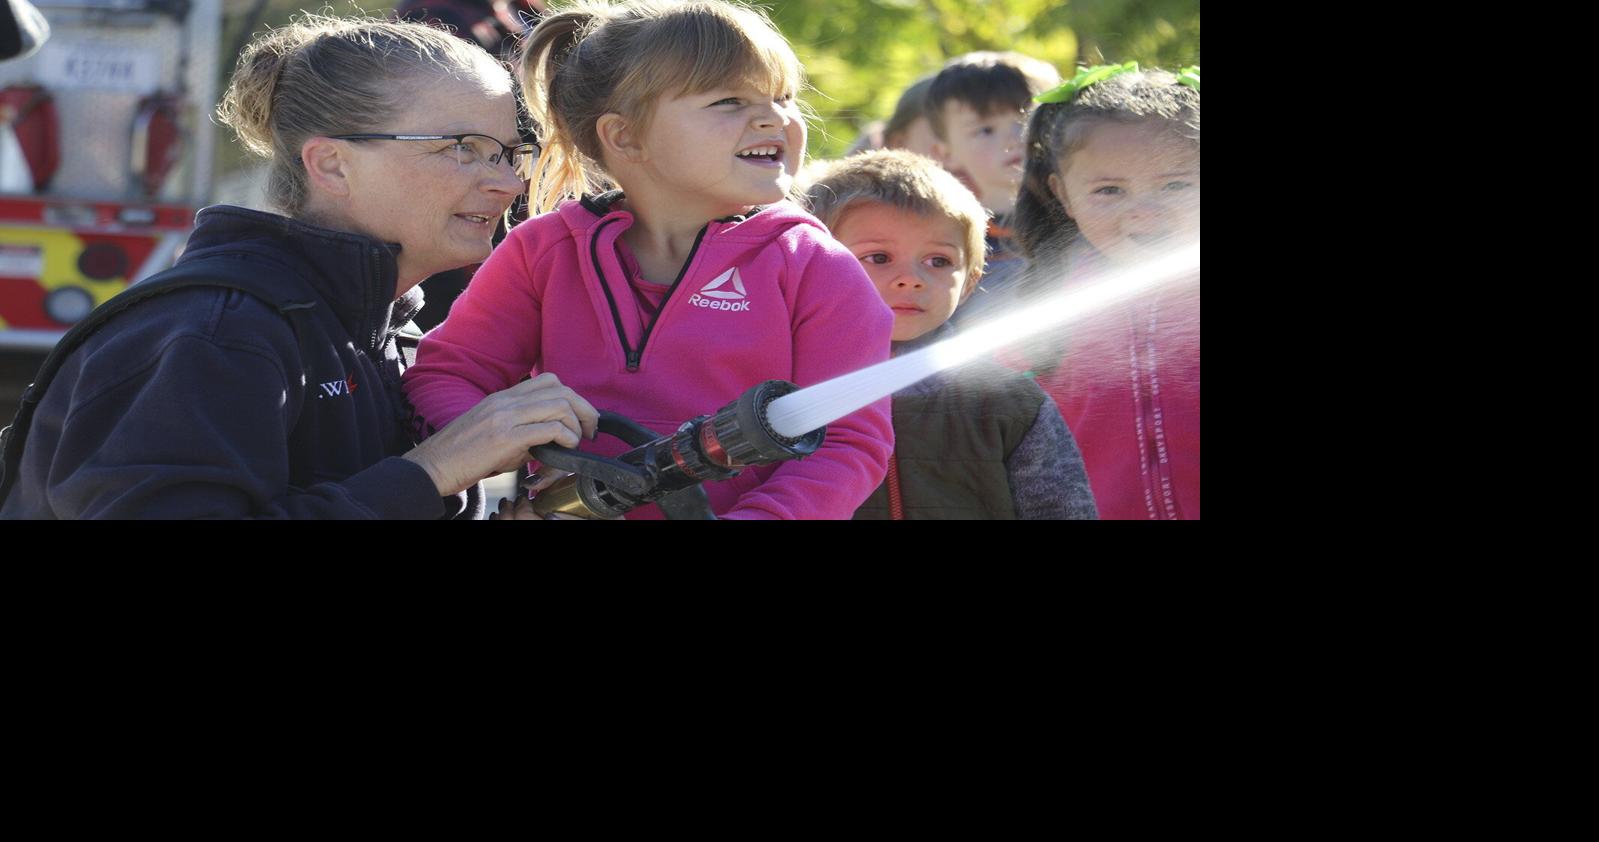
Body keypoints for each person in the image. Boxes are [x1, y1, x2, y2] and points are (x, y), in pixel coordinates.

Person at [0, 15, 598, 519]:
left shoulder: (380, 334)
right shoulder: (215, 333)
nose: (507, 182)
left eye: (507, 152)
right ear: (333, 165)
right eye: (461, 148)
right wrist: (432, 469)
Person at [403, 0, 894, 520]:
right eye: (729, 100)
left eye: (781, 97)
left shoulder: (818, 268)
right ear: (625, 136)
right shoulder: (543, 251)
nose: (774, 117)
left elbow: (847, 442)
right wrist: (516, 444)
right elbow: (448, 375)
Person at [802, 149, 1096, 519]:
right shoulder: (784, 390)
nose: (912, 279)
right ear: (809, 269)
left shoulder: (1008, 399)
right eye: (878, 257)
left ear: (970, 283)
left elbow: (1061, 509)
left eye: (938, 261)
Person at [1010, 63, 1200, 519]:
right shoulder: (1045, 308)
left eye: (1175, 185)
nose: (1144, 213)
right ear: (1063, 195)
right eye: (1110, 190)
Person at [922, 51, 1059, 329]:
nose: (1014, 138)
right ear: (945, 153)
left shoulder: (1080, 216)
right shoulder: (949, 238)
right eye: (985, 130)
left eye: (1026, 121)